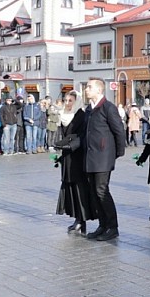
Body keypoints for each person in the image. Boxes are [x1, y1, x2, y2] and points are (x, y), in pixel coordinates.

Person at [83, 78, 126, 241]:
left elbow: (119, 132)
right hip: (90, 156)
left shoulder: (108, 108)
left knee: (102, 191)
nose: (86, 90)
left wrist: (116, 153)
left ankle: (112, 227)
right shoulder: (89, 109)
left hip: (103, 157)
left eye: (89, 87)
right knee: (94, 192)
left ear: (99, 91)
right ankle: (103, 225)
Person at [54, 91, 93, 235]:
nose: (67, 103)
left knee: (79, 188)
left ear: (76, 102)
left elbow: (81, 136)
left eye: (70, 100)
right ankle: (77, 219)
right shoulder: (63, 116)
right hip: (67, 157)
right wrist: (59, 145)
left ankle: (82, 220)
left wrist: (70, 145)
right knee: (70, 188)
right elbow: (64, 135)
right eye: (66, 100)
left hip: (77, 157)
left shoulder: (81, 115)